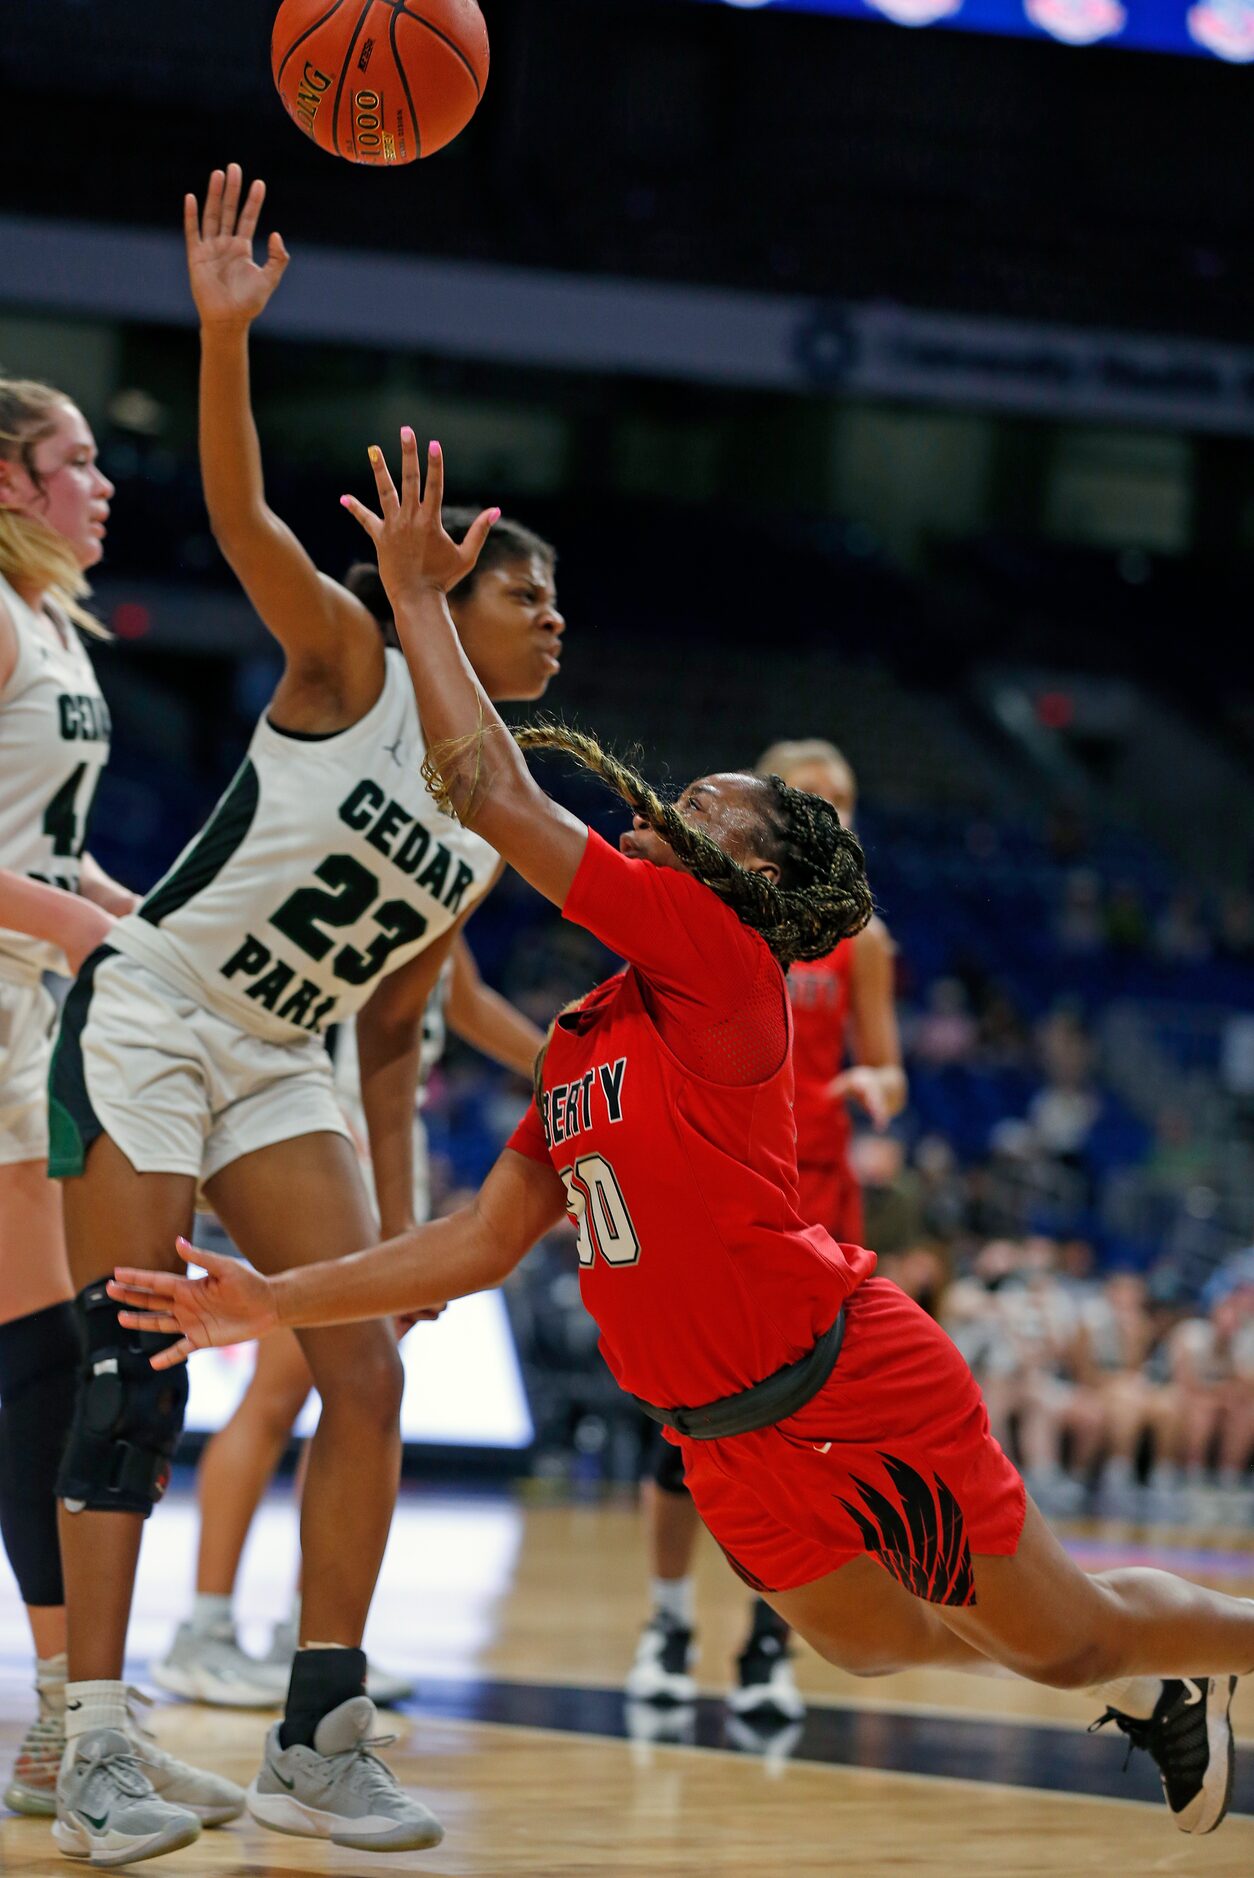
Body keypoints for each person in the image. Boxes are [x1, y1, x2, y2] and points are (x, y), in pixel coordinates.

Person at [113, 433, 1251, 1843]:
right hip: (718, 1434)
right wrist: (267, 1299)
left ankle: (1189, 1655)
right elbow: (474, 1243)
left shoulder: (719, 953)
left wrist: (417, 601)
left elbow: (493, 793)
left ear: (751, 870)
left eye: (707, 802)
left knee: (1065, 1634)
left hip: (847, 1374)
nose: (668, 801)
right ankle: (1154, 1686)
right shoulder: (593, 1027)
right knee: (876, 1643)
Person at [44, 169, 563, 1866]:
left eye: (555, 602)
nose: (550, 614)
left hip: (287, 1060)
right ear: (446, 593)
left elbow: (405, 1028)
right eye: (523, 590)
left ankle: (317, 1734)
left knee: (362, 1366)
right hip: (157, 1008)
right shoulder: (344, 657)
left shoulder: (494, 804)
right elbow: (248, 510)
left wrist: (400, 1222)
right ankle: (97, 1742)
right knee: (131, 1369)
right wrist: (220, 340)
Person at [152, 940, 543, 1711]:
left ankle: (311, 1627)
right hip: (331, 1138)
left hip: (387, 1148)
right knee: (280, 1395)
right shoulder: (379, 861)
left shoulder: (445, 878)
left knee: (352, 1397)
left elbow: (461, 998)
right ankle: (203, 1632)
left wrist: (580, 1057)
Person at [626, 736, 906, 1722]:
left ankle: (769, 1643)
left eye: (844, 795)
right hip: (720, 1184)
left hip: (818, 1197)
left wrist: (878, 1081)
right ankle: (667, 1621)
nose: (833, 807)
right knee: (684, 1434)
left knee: (807, 1448)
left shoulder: (860, 940)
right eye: (812, 795)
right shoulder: (701, 915)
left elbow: (890, 1062)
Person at [0, 378, 142, 1819]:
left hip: (25, 996)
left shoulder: (53, 626)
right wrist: (82, 928)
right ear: (7, 483)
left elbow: (48, 842)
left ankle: (67, 1703)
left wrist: (138, 917)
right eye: (76, 463)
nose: (103, 484)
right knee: (41, 1347)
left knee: (43, 1342)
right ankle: (62, 1710)